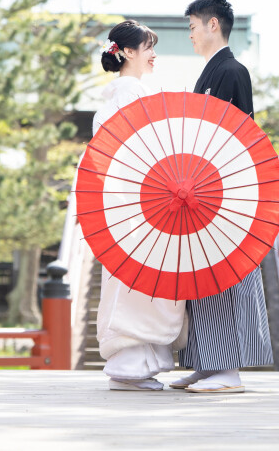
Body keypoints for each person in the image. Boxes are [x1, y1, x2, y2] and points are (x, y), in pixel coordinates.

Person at [172, 0, 273, 394]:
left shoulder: (233, 70)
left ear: (214, 25)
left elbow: (243, 137)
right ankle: (204, 361)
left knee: (224, 276)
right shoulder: (209, 74)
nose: (191, 35)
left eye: (193, 27)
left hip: (225, 191)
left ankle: (228, 369)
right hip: (202, 190)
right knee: (201, 275)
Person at [92, 20, 187, 391]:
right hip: (140, 200)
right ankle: (131, 367)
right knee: (144, 282)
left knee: (134, 280)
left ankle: (134, 365)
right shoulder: (132, 93)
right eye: (148, 47)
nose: (154, 55)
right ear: (127, 52)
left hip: (123, 202)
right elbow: (146, 150)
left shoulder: (118, 96)